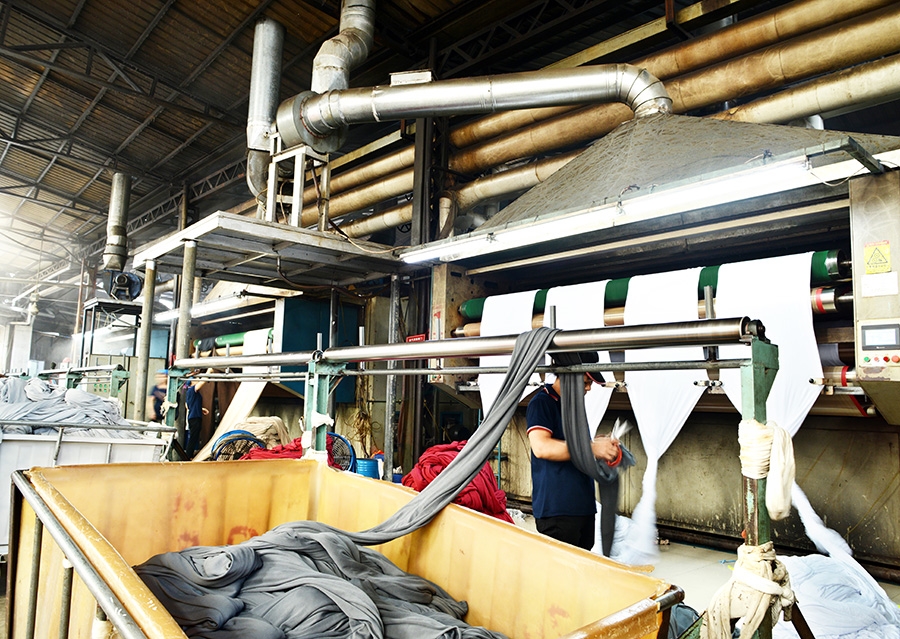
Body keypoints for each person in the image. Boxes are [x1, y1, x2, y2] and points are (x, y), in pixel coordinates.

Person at [526, 357, 621, 551]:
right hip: (558, 510)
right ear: (568, 376)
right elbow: (541, 447)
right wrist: (591, 448)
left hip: (582, 505)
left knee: (581, 563)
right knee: (561, 567)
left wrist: (600, 445)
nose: (588, 388)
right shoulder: (542, 403)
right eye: (585, 382)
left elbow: (575, 445)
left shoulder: (573, 407)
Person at [183, 373, 210, 457]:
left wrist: (201, 409)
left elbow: (187, 405)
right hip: (194, 418)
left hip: (194, 417)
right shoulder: (192, 389)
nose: (198, 380)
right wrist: (209, 372)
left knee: (194, 437)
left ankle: (189, 455)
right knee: (193, 438)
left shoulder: (190, 392)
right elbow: (202, 382)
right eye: (197, 379)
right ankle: (188, 456)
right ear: (192, 381)